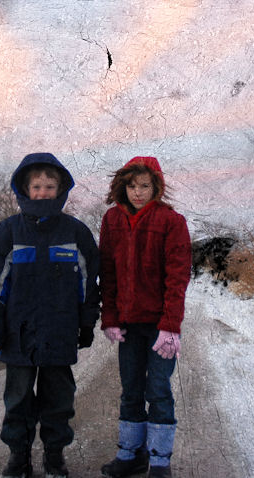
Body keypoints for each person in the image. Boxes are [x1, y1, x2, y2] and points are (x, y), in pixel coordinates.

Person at [0, 152, 100, 478]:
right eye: (37, 185)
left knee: (59, 400)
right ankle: (19, 458)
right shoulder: (8, 233)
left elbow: (89, 285)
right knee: (17, 401)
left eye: (50, 185)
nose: (43, 191)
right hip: (17, 336)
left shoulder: (76, 233)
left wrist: (87, 323)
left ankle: (54, 457)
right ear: (25, 188)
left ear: (61, 189)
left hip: (60, 334)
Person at [99, 156, 192, 478]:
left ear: (156, 187)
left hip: (158, 325)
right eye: (132, 186)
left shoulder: (171, 220)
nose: (138, 192)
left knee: (158, 389)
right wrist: (110, 317)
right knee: (131, 389)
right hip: (128, 324)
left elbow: (177, 277)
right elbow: (107, 273)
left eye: (144, 186)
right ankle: (130, 455)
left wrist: (170, 326)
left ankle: (160, 462)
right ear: (122, 187)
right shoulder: (112, 220)